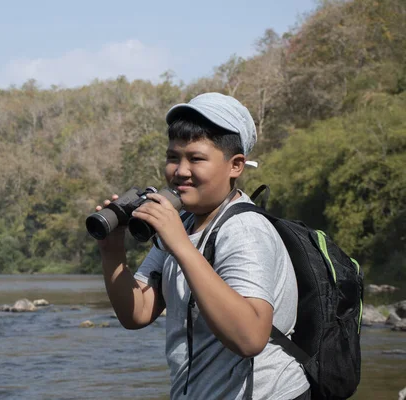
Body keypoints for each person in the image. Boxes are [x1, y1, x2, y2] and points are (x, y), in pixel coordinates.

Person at [94, 93, 310, 399]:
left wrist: (181, 246)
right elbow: (137, 313)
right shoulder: (181, 223)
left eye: (196, 158)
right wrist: (112, 251)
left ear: (235, 166)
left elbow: (250, 339)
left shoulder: (245, 230)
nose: (180, 171)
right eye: (173, 157)